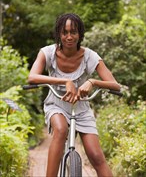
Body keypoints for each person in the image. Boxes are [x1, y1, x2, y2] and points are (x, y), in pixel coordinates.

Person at [28, 13, 120, 177]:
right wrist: (64, 82)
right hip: (56, 105)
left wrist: (92, 82)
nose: (69, 37)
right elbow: (32, 77)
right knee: (61, 129)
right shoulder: (47, 52)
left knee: (96, 156)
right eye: (65, 32)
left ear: (80, 34)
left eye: (73, 32)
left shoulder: (90, 56)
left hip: (82, 109)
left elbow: (115, 85)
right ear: (59, 34)